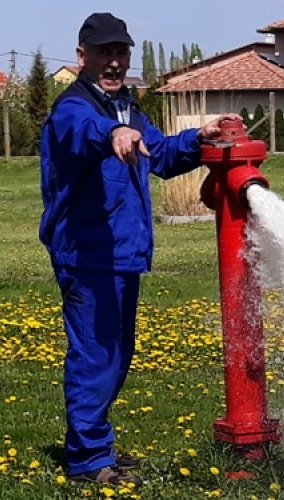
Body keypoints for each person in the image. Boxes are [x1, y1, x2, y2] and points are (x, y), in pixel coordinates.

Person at [39, 12, 243, 486]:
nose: (114, 62)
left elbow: (162, 156)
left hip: (122, 254)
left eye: (121, 52)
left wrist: (200, 138)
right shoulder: (74, 107)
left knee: (115, 354)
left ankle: (94, 445)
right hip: (87, 254)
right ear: (82, 56)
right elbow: (83, 133)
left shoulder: (128, 109)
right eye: (104, 52)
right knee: (96, 356)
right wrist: (111, 135)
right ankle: (89, 461)